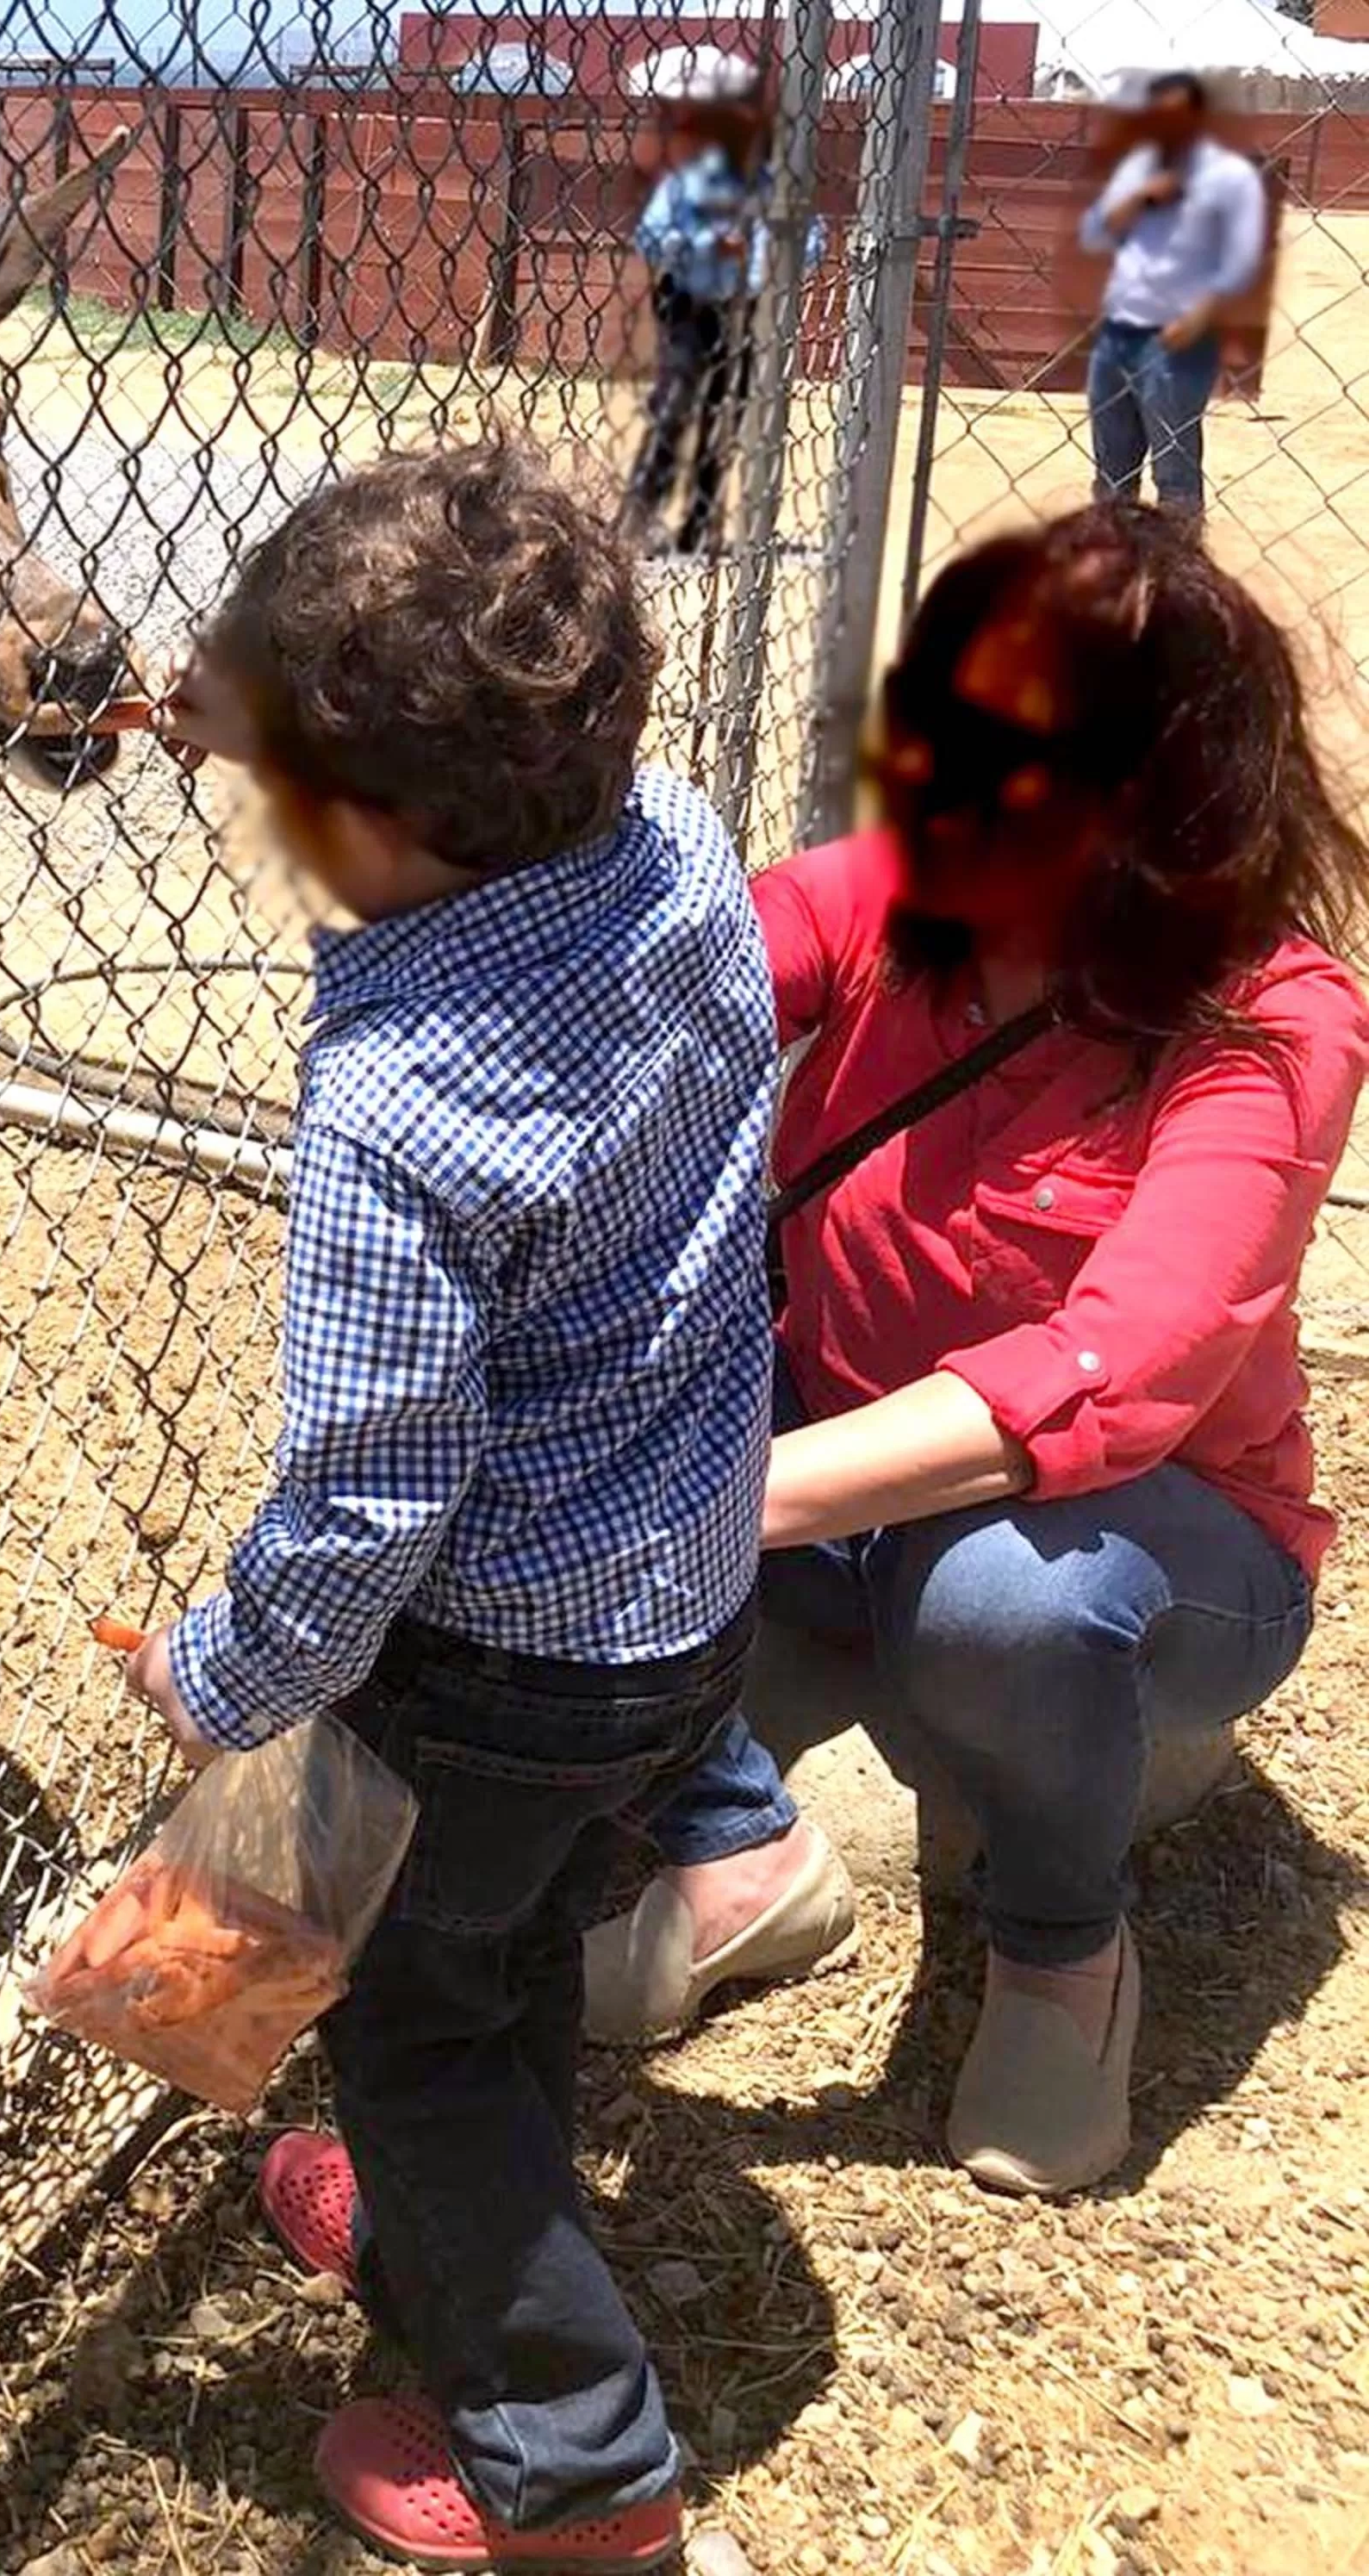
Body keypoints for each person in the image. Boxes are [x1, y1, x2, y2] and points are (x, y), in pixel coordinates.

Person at [132, 445, 778, 2572]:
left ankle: (579, 2474)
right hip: (679, 1609)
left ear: (375, 827)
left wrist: (218, 1679)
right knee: (491, 1964)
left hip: (483, 1664)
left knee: (411, 2025)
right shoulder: (670, 846)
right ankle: (440, 2247)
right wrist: (231, 702)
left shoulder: (401, 1107)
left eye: (281, 807)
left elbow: (363, 1499)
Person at [582, 502, 1369, 2202]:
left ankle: (1063, 1949)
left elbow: (1133, 1357)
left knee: (1001, 1607)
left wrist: (715, 1501)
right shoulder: (906, 892)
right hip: (837, 1457)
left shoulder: (1274, 1010)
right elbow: (687, 949)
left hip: (1153, 1524)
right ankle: (739, 1854)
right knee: (577, 1425)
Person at [624, 82, 820, 558]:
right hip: (691, 307)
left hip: (748, 312)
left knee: (723, 416)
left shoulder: (777, 190)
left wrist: (769, 257)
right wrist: (709, 245)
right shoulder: (690, 183)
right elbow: (652, 238)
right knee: (672, 408)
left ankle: (698, 524)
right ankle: (637, 521)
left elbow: (812, 243)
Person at [1079, 71, 1266, 519]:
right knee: (1111, 474)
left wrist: (1198, 319)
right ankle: (1117, 565)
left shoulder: (1230, 177)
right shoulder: (1138, 169)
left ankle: (1178, 573)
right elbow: (1094, 236)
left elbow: (1243, 263)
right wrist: (1142, 196)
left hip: (1179, 339)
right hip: (1118, 333)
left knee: (1176, 475)